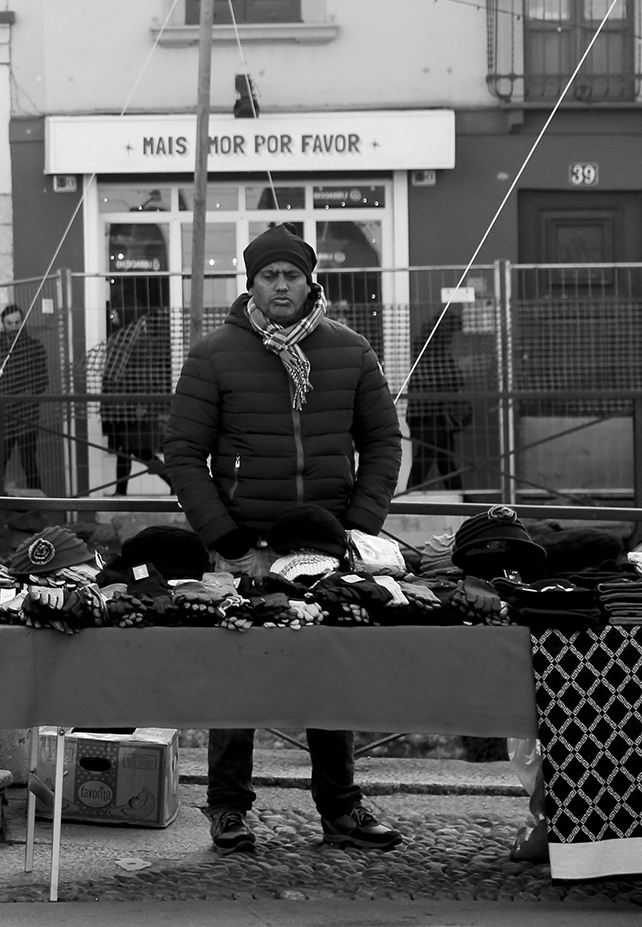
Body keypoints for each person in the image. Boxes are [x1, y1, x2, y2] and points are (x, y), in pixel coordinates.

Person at [161, 224, 406, 855]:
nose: (280, 286)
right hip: (248, 543)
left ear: (309, 280)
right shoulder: (214, 354)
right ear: (251, 284)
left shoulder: (350, 352)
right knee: (237, 674)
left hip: (327, 546)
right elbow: (184, 455)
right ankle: (228, 808)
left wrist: (359, 527)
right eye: (268, 276)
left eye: (290, 275)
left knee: (331, 671)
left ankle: (341, 809)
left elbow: (382, 443)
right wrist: (227, 536)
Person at [102, 308, 169, 496]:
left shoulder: (140, 344)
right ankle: (121, 491)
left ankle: (173, 481)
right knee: (128, 451)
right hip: (127, 407)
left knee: (139, 452)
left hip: (136, 408)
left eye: (117, 314)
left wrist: (143, 405)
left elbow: (146, 377)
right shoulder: (127, 342)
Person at [405, 305, 470, 492]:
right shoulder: (433, 353)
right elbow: (443, 379)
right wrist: (458, 375)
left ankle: (458, 496)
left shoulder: (426, 349)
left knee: (441, 456)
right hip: (429, 414)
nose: (455, 339)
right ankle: (411, 494)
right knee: (432, 455)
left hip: (428, 413)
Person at [0, 304, 49, 495]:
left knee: (28, 460)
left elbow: (42, 381)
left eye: (17, 322)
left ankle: (37, 506)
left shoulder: (35, 347)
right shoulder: (0, 348)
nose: (13, 326)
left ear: (23, 322)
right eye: (9, 323)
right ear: (3, 324)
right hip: (4, 416)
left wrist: (24, 396)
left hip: (26, 416)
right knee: (0, 460)